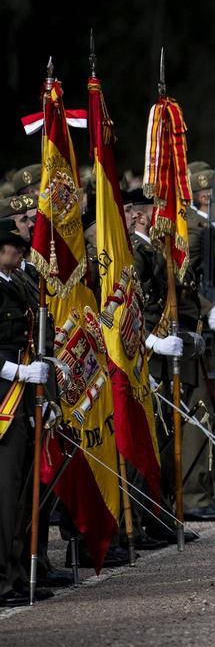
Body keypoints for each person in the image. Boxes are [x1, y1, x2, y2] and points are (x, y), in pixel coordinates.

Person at [0, 217, 53, 605]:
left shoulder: (16, 281)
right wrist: (18, 371)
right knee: (5, 491)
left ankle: (16, 572)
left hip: (22, 391)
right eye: (13, 246)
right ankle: (3, 579)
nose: (21, 251)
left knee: (20, 490)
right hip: (4, 394)